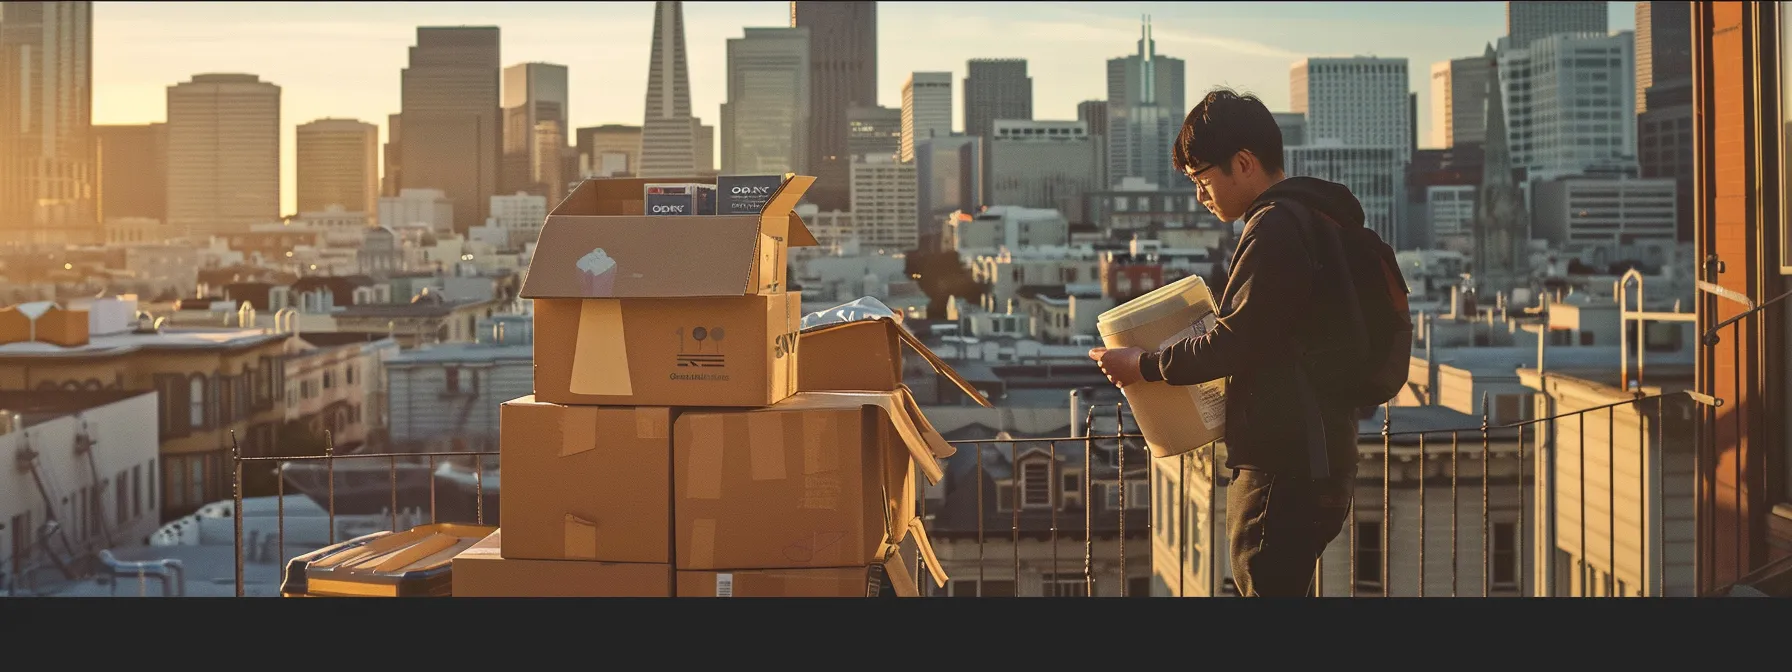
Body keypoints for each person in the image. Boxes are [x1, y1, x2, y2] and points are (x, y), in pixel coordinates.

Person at [1088, 87, 1367, 597]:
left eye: (1201, 178)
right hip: (1323, 451)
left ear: (1243, 163)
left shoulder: (1275, 227)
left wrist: (1143, 364)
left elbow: (1238, 341)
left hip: (1282, 462)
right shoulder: (1316, 217)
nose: (1199, 195)